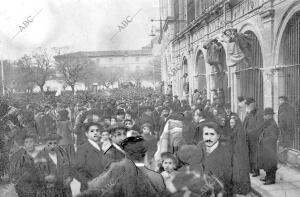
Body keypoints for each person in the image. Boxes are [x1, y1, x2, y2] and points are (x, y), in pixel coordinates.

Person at [85, 136, 166, 197]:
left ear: (125, 153)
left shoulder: (115, 169)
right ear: (145, 154)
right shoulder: (157, 177)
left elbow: (93, 186)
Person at [74, 121, 110, 192]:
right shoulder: (82, 148)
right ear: (87, 134)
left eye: (97, 131)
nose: (95, 133)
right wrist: (87, 182)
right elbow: (78, 169)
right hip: (89, 188)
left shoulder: (102, 147)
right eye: (92, 131)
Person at [199, 122, 233, 197]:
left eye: (212, 134)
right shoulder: (199, 146)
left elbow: (227, 176)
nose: (208, 138)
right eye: (206, 134)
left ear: (218, 136)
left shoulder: (225, 151)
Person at [35, 133, 73, 197]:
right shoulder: (40, 156)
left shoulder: (63, 153)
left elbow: (70, 167)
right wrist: (45, 178)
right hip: (48, 191)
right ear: (45, 144)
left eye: (55, 143)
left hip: (64, 190)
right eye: (49, 144)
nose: (52, 146)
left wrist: (70, 178)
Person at [9, 132, 41, 197]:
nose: (29, 144)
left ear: (34, 143)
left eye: (31, 141)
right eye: (26, 142)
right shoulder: (20, 156)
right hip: (23, 187)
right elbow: (16, 172)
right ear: (24, 144)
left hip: (35, 186)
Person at [229, 116, 251, 195]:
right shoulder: (235, 130)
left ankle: (242, 189)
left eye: (232, 123)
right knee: (238, 172)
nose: (230, 124)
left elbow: (239, 145)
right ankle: (240, 189)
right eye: (230, 122)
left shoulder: (239, 131)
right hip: (237, 154)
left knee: (240, 172)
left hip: (239, 155)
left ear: (236, 123)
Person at [243, 98, 264, 177]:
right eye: (247, 105)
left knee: (255, 155)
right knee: (249, 154)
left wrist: (250, 133)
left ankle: (256, 170)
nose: (247, 106)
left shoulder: (258, 114)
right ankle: (251, 168)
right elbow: (244, 125)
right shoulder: (248, 113)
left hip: (254, 138)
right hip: (248, 138)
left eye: (249, 105)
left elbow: (259, 127)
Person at [259, 108, 280, 185]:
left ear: (270, 115)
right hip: (266, 148)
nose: (264, 116)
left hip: (270, 148)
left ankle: (271, 179)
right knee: (267, 163)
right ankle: (267, 177)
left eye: (265, 115)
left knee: (271, 163)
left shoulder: (273, 125)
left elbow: (274, 137)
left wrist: (264, 140)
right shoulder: (268, 123)